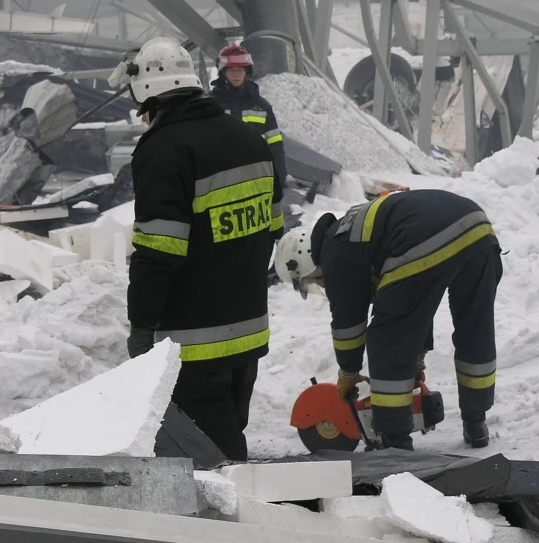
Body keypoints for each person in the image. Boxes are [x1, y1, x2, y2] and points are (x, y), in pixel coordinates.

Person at [112, 37, 280, 461]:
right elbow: (270, 226)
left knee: (210, 460)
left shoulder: (164, 150)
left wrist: (141, 324)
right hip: (248, 327)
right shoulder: (249, 140)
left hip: (195, 340)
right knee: (229, 432)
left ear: (147, 94)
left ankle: (230, 525)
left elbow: (157, 250)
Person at [274, 189, 501, 451]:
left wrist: (348, 372)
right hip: (477, 228)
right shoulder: (350, 234)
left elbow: (349, 326)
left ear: (304, 263)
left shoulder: (335, 252)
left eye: (313, 282)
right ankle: (476, 422)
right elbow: (416, 301)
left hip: (430, 235)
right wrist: (416, 356)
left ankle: (395, 441)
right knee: (475, 330)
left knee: (386, 339)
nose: (321, 286)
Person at [210, 42, 287, 239]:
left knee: (255, 237)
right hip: (219, 185)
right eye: (232, 70)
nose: (236, 74)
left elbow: (275, 147)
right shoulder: (209, 105)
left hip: (256, 185)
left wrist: (278, 179)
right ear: (223, 72)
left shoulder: (262, 107)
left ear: (247, 71)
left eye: (240, 70)